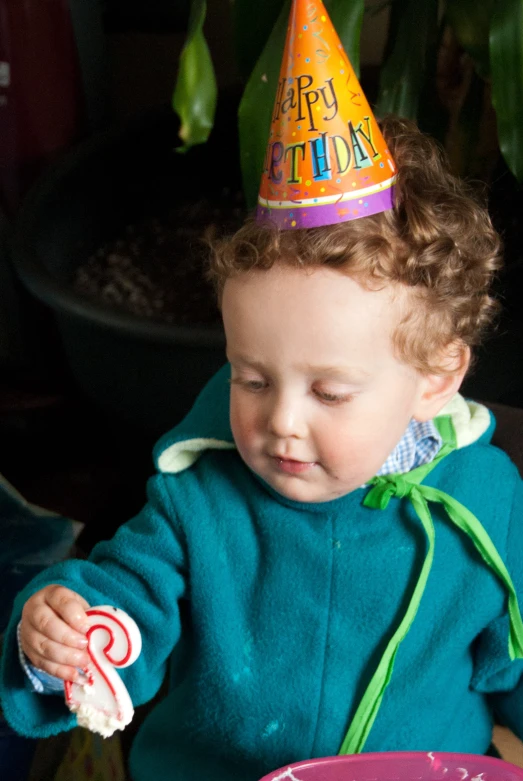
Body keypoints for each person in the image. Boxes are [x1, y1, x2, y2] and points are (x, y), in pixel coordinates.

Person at [2, 114, 523, 781]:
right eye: (250, 378)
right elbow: (125, 603)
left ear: (435, 377)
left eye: (329, 392)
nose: (280, 420)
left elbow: (512, 657)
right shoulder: (198, 498)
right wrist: (66, 637)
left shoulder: (487, 500)